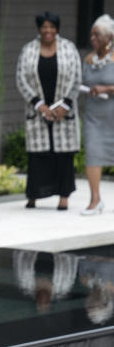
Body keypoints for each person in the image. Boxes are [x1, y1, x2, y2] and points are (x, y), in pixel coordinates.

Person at [15, 11, 81, 210]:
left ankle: (64, 197)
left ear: (57, 28)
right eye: (44, 27)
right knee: (38, 155)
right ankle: (34, 196)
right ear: (39, 29)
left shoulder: (69, 48)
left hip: (64, 111)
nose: (48, 31)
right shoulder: (28, 50)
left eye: (51, 27)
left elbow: (77, 77)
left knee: (63, 154)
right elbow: (21, 79)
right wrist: (39, 104)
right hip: (38, 110)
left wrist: (64, 105)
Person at [80, 14, 114, 215]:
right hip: (94, 114)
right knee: (92, 153)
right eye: (91, 35)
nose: (92, 39)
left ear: (109, 37)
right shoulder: (89, 59)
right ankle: (95, 200)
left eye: (97, 35)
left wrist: (106, 88)